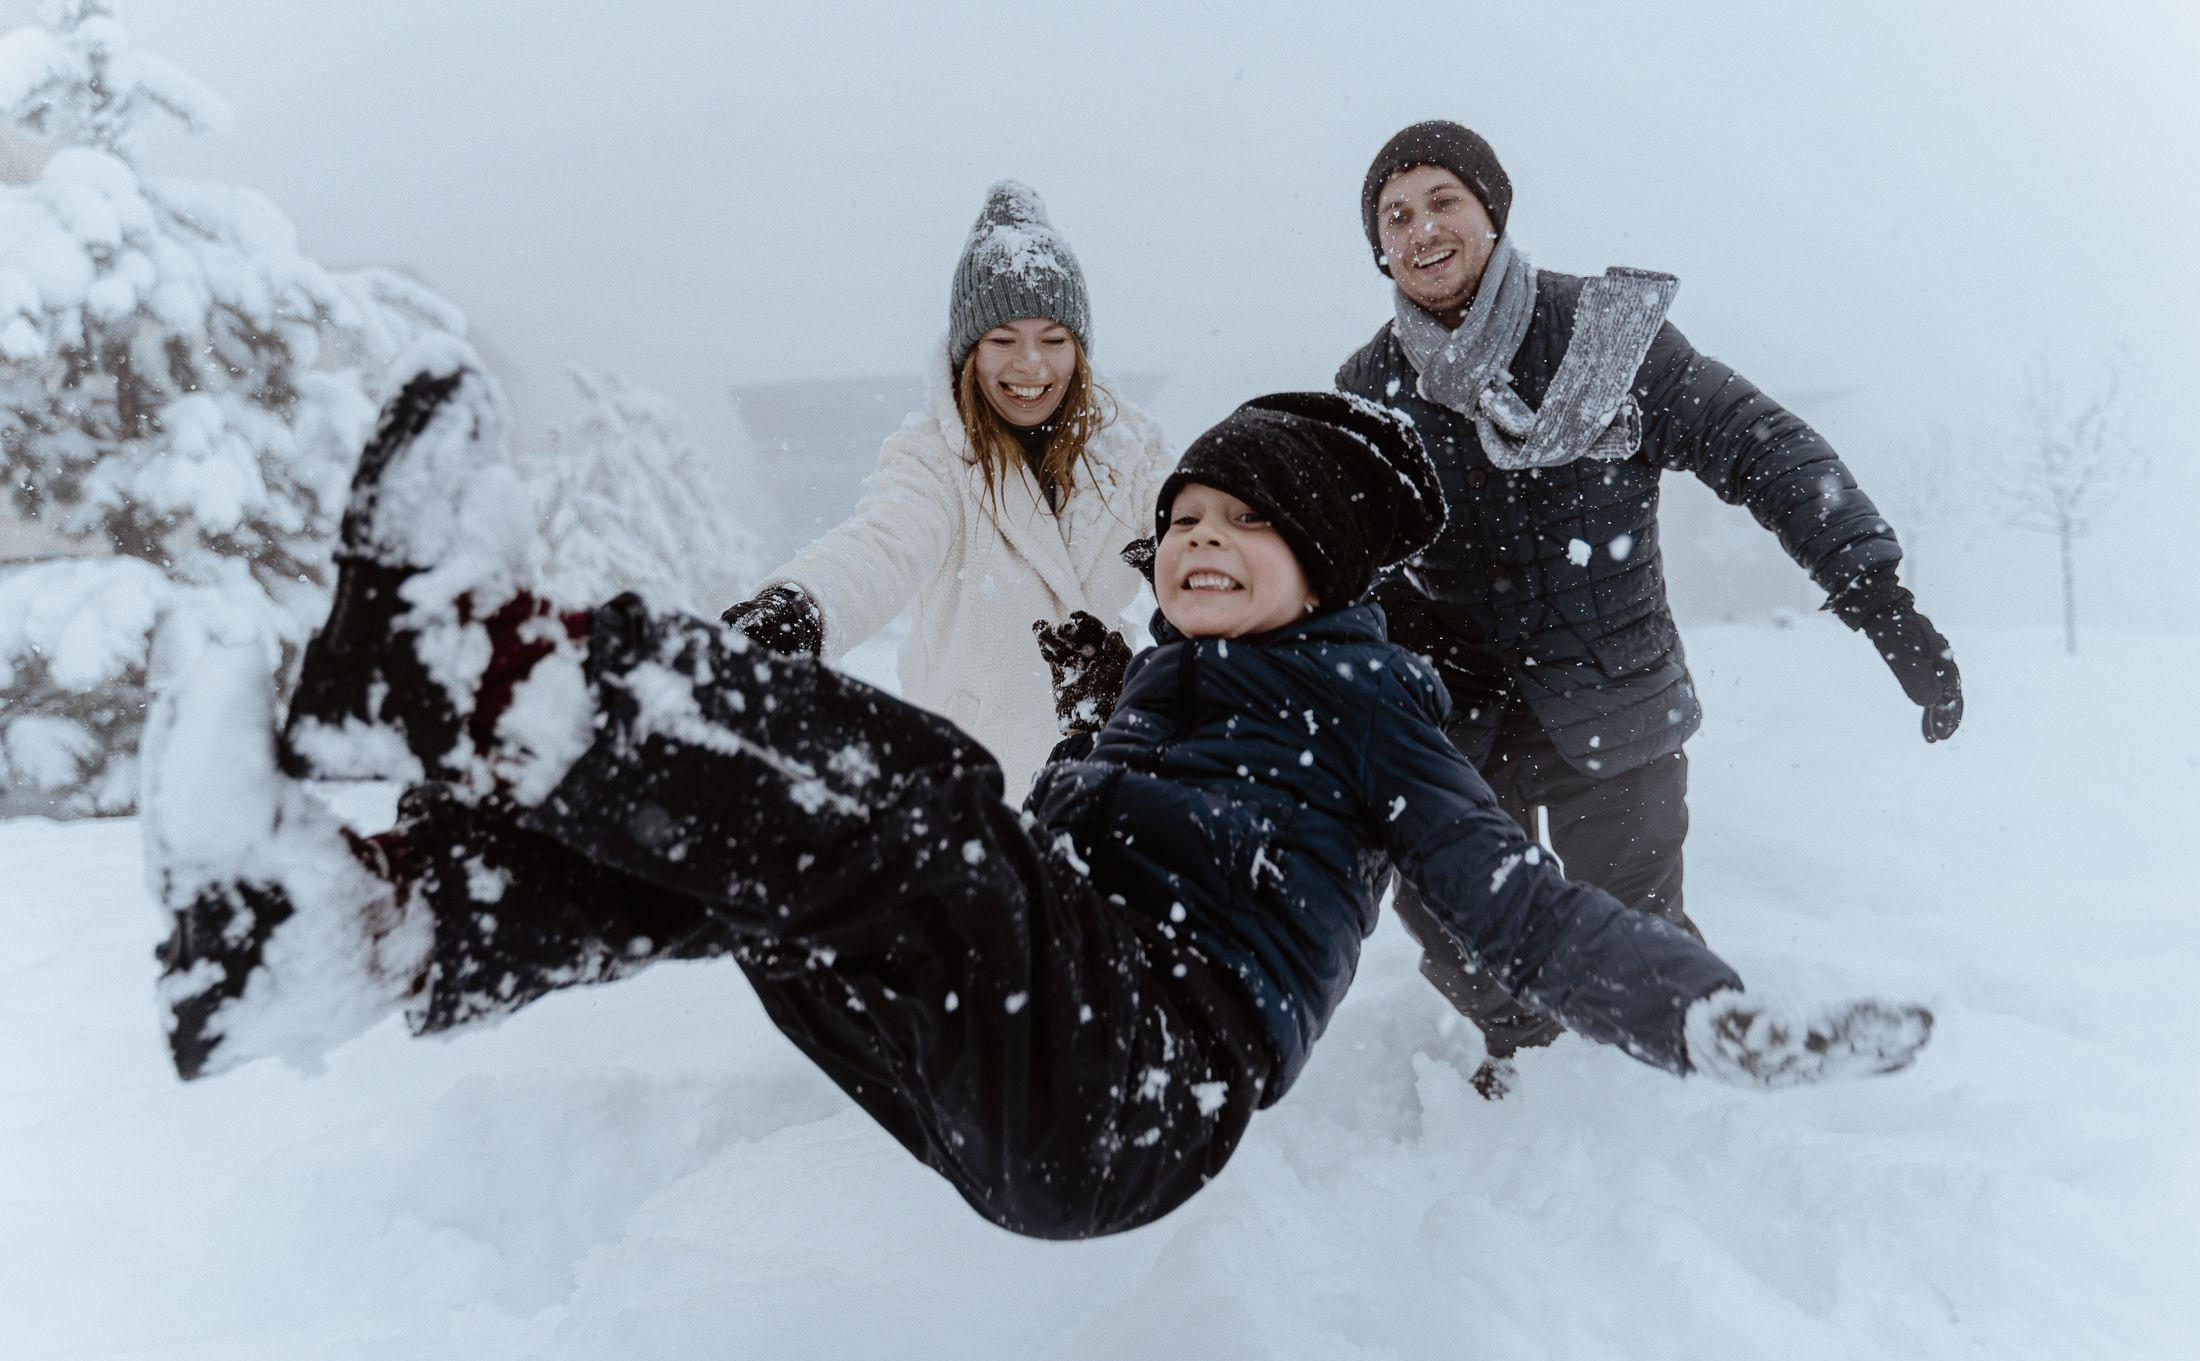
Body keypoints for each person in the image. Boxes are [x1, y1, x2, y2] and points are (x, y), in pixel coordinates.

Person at [146, 352, 1932, 1241]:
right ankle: (348, 930)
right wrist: (1098, 724)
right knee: (774, 859)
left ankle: (473, 666)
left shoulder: (1377, 700)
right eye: (1188, 524)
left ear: (1328, 564)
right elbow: (1027, 836)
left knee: (916, 786)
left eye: (1248, 525)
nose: (1200, 543)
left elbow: (1517, 905)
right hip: (1022, 1059)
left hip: (1145, 1075)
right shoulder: (1157, 689)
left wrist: (1709, 1016)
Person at [1334, 122, 1964, 1092]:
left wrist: (1871, 588)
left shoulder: (1602, 335)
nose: (1420, 229)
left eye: (1441, 201)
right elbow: (1333, 556)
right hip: (1455, 717)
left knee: (1630, 921)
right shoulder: (1370, 389)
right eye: (1395, 214)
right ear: (1378, 245)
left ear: (1490, 211)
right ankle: (1525, 1055)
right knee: (1461, 931)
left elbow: (1757, 441)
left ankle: (1690, 1063)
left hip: (1610, 698)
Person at [716, 180, 1172, 793]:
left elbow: (1201, 525)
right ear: (968, 354)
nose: (1031, 365)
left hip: (1104, 781)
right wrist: (802, 608)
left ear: (1080, 350)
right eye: (1003, 340)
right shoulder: (934, 459)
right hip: (973, 791)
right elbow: (880, 546)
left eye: (1054, 340)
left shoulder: (1131, 453)